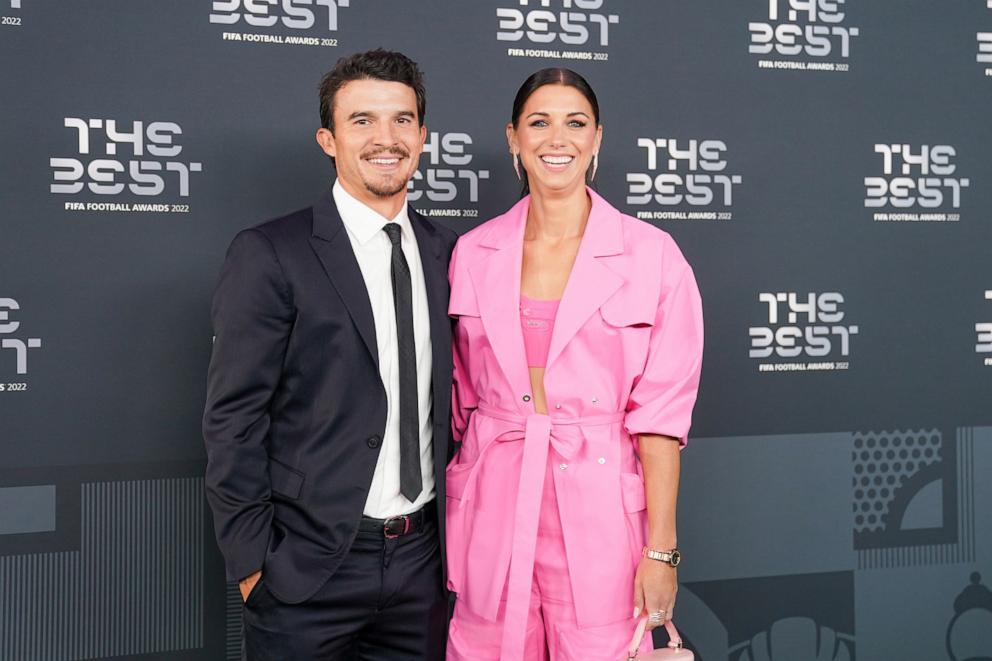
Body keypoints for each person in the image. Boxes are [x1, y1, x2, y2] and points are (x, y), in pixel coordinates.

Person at [202, 49, 456, 660]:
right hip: (304, 570)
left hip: (423, 566)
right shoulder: (271, 252)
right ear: (328, 138)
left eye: (402, 120)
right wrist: (253, 565)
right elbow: (233, 419)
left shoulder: (451, 255)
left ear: (422, 136)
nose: (385, 139)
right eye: (362, 120)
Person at [445, 68, 704, 660]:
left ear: (597, 139)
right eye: (539, 122)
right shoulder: (473, 252)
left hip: (599, 516)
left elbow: (661, 419)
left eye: (574, 123)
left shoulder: (653, 256)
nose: (555, 138)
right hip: (490, 507)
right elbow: (457, 400)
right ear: (513, 138)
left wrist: (660, 551)